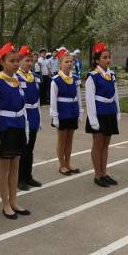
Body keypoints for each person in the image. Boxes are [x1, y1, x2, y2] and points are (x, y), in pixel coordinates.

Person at [0, 42, 31, 219]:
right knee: (4, 168)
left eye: (17, 60)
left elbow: (23, 107)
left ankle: (14, 201)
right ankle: (5, 204)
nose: (15, 64)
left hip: (18, 125)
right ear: (2, 62)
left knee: (15, 167)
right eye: (12, 61)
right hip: (5, 128)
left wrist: (26, 128)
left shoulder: (19, 80)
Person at [85, 42, 120, 187]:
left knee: (106, 144)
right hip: (99, 114)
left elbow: (115, 94)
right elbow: (89, 100)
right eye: (104, 58)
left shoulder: (111, 75)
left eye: (109, 57)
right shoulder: (92, 77)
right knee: (98, 144)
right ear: (97, 60)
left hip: (110, 112)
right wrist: (93, 120)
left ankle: (104, 173)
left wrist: (117, 111)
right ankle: (97, 175)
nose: (108, 60)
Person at [50, 48, 82, 177]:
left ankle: (68, 163)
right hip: (62, 112)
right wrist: (55, 117)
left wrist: (80, 112)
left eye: (71, 61)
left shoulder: (75, 78)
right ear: (60, 64)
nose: (69, 64)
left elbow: (78, 96)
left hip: (73, 110)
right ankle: (62, 165)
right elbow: (53, 100)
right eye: (66, 61)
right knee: (62, 140)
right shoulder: (56, 80)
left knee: (70, 140)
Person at [17, 45, 43, 190]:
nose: (29, 63)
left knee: (30, 148)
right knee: (22, 149)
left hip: (33, 115)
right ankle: (20, 178)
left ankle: (28, 176)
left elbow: (37, 100)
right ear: (19, 61)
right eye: (26, 60)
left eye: (31, 60)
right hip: (23, 115)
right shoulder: (16, 78)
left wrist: (39, 117)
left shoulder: (33, 77)